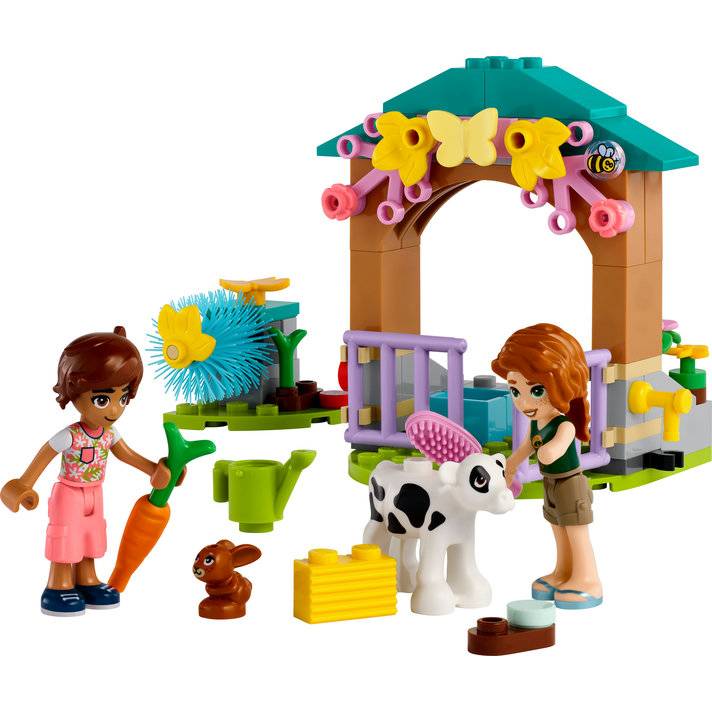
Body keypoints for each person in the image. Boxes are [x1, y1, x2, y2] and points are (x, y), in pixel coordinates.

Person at [1, 326, 173, 616]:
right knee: (65, 537)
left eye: (123, 398)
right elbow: (44, 455)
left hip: (95, 492)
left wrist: (154, 470)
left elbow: (126, 454)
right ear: (75, 392)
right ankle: (58, 585)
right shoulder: (70, 435)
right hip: (69, 493)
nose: (114, 410)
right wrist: (24, 484)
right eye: (102, 399)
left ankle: (87, 580)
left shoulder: (109, 434)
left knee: (92, 536)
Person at [492, 323, 602, 609]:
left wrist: (548, 452)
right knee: (557, 527)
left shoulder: (564, 424)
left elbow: (555, 449)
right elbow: (528, 445)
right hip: (551, 483)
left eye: (536, 390)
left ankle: (588, 579)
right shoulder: (537, 421)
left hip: (570, 483)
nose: (524, 402)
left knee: (576, 530)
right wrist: (512, 464)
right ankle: (564, 572)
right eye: (515, 391)